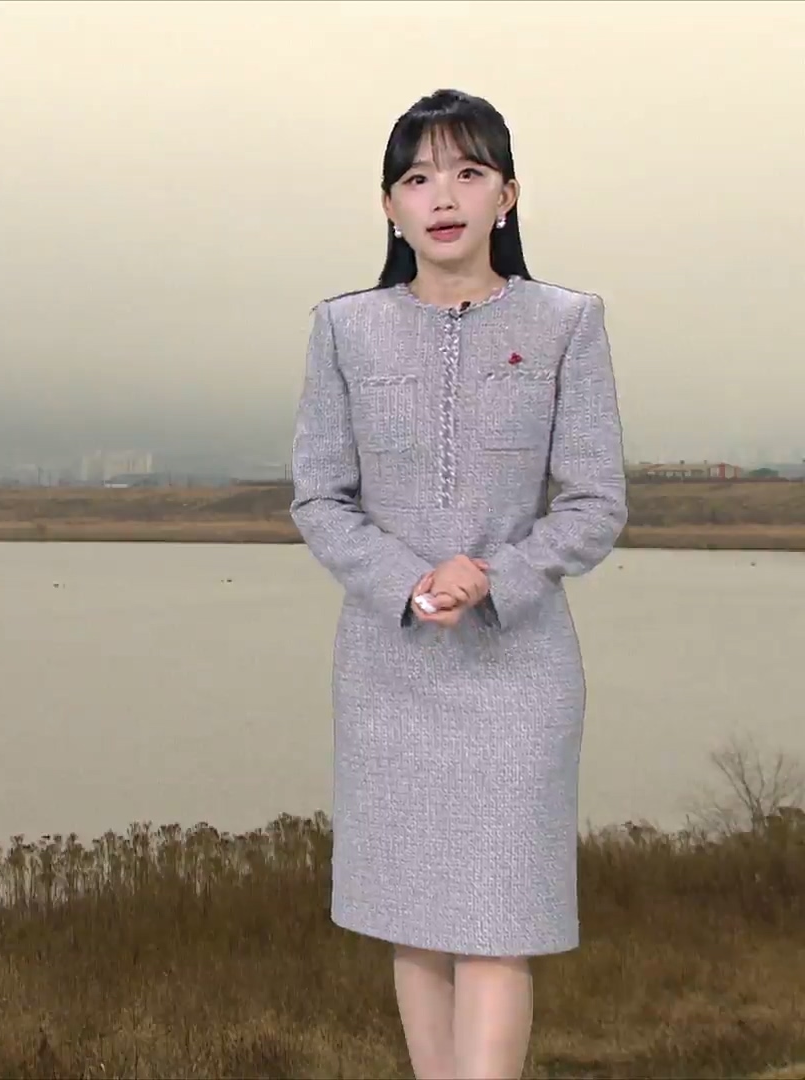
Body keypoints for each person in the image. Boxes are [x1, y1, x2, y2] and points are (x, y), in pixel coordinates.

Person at [288, 89, 629, 1080]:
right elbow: (318, 497)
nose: (443, 196)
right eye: (417, 177)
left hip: (519, 669)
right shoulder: (344, 329)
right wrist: (404, 582)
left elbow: (595, 501)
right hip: (389, 668)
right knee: (416, 927)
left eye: (469, 172)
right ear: (389, 206)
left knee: (498, 928)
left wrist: (495, 574)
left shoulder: (566, 323)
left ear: (507, 195)